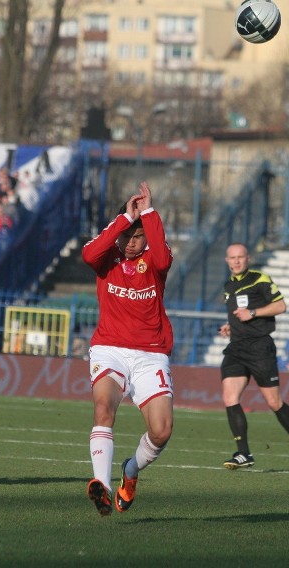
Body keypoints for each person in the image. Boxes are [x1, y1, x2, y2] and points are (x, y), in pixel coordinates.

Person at [81, 182, 174, 516]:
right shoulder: (107, 257)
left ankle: (131, 470)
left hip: (151, 354)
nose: (132, 243)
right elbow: (89, 252)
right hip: (110, 349)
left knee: (161, 431)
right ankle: (102, 486)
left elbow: (163, 257)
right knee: (104, 408)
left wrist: (148, 212)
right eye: (127, 236)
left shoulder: (156, 258)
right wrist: (124, 219)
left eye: (138, 236)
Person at [217, 243, 289, 473]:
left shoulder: (260, 279)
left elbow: (281, 305)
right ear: (227, 260)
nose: (237, 261)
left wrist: (254, 313)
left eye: (241, 257)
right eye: (232, 258)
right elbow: (239, 313)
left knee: (273, 402)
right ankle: (243, 453)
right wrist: (230, 325)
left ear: (248, 258)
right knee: (230, 397)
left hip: (260, 347)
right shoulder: (228, 285)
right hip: (237, 348)